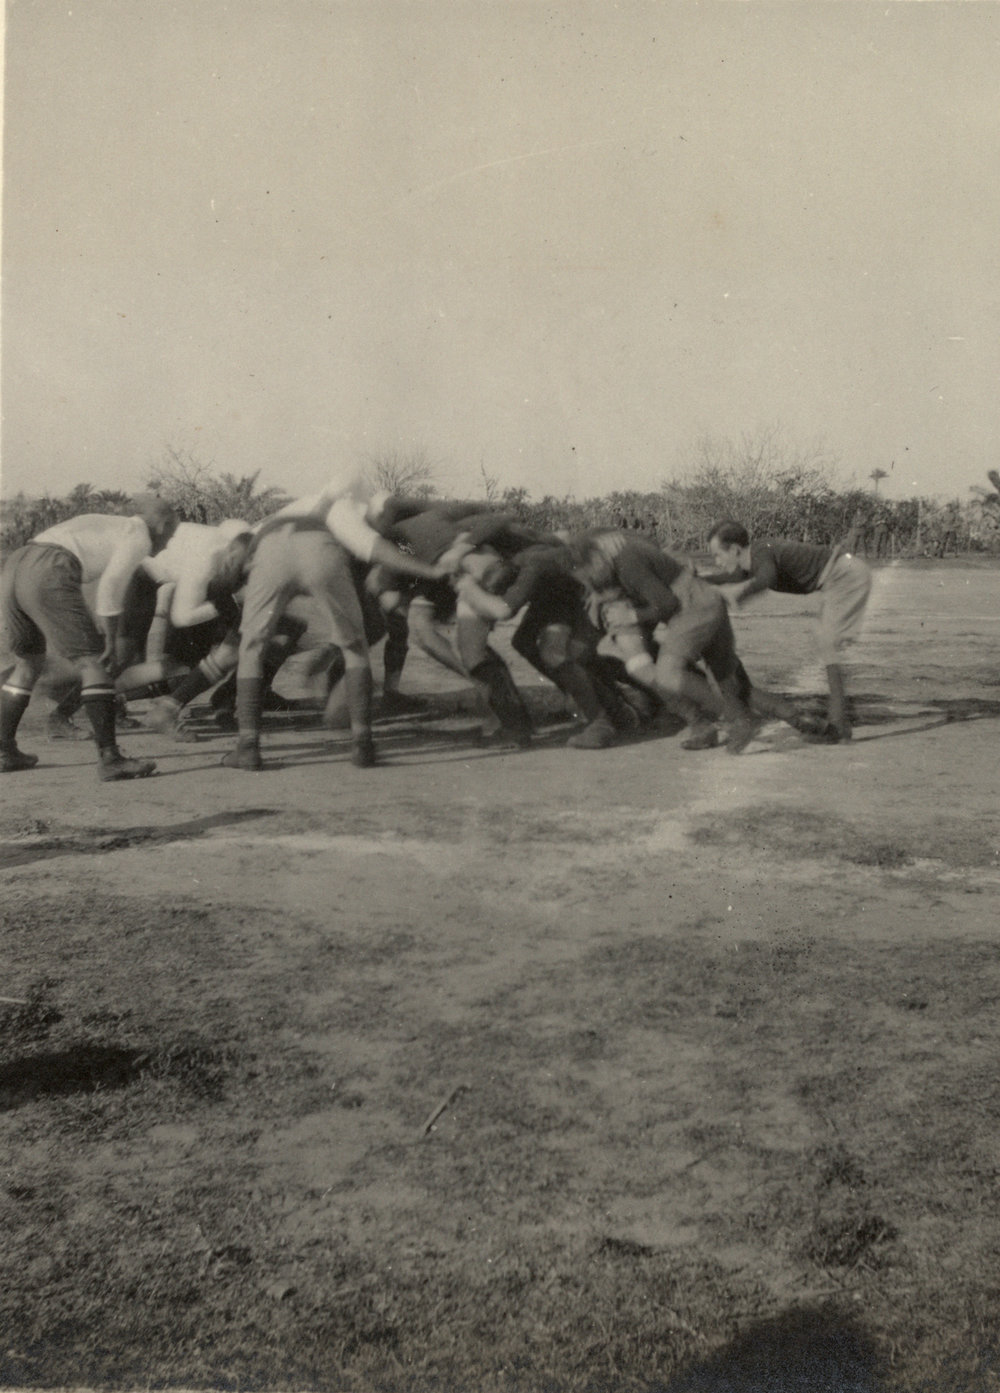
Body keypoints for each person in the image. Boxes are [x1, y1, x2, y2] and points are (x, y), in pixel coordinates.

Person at [218, 473, 445, 771]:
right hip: (316, 545)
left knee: (251, 648)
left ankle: (247, 747)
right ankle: (363, 744)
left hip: (269, 545)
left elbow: (240, 556)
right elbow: (380, 551)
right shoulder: (346, 509)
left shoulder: (296, 505)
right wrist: (432, 572)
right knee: (354, 645)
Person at [0, 496, 178, 778]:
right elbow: (110, 587)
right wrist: (109, 636)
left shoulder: (110, 524)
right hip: (49, 566)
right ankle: (110, 758)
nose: (168, 542)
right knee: (96, 663)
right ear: (164, 524)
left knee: (28, 664)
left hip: (16, 563)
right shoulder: (138, 534)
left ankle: (3, 750)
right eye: (171, 533)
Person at [449, 536, 651, 749]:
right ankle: (599, 700)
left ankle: (603, 719)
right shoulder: (521, 560)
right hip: (557, 593)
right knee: (523, 642)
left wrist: (470, 588)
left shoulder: (531, 568)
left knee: (557, 654)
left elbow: (504, 610)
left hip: (575, 593)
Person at [568, 530, 758, 753]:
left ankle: (733, 715)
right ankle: (700, 722)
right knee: (641, 668)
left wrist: (627, 613)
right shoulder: (597, 555)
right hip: (625, 605)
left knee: (661, 670)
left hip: (638, 604)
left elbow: (664, 600)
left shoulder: (625, 557)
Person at [705, 519, 872, 742]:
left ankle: (840, 725)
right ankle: (840, 720)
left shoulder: (761, 553)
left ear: (735, 550)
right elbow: (734, 577)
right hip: (841, 575)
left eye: (718, 555)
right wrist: (698, 578)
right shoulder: (755, 555)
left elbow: (767, 578)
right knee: (826, 643)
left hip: (845, 576)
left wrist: (740, 594)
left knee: (827, 642)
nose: (717, 562)